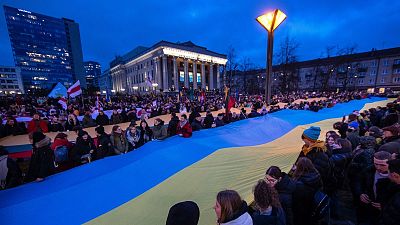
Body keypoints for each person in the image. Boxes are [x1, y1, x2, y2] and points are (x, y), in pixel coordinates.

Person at [353, 151, 393, 225]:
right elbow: (358, 182)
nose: (378, 167)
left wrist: (386, 207)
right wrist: (360, 193)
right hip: (368, 209)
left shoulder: (396, 176)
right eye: (376, 164)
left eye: (382, 165)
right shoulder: (369, 170)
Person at [298, 126, 332, 194]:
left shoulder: (318, 153)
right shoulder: (306, 149)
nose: (303, 140)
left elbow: (318, 173)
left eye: (304, 138)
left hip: (315, 186)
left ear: (309, 139)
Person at [292, 157, 323, 225]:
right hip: (314, 205)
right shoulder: (317, 175)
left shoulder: (298, 183)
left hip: (302, 209)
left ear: (299, 168)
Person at [378, 159, 400, 225]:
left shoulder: (397, 199)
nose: (387, 175)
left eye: (388, 172)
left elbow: (389, 219)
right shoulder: (393, 187)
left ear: (395, 175)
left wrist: (384, 208)